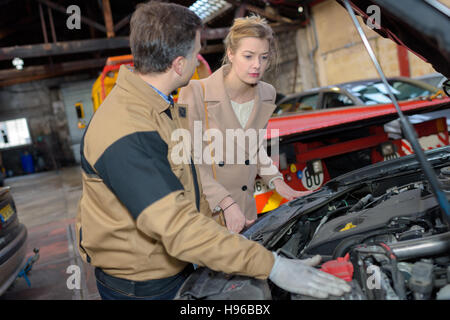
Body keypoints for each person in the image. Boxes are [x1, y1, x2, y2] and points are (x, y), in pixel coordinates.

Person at [76, 1, 350, 300]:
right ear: (179, 64)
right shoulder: (127, 130)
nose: (199, 61)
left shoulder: (159, 108)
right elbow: (176, 226)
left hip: (176, 263)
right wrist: (272, 266)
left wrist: (229, 221)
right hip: (145, 287)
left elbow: (188, 175)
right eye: (196, 53)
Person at [178, 16, 310, 234]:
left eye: (264, 57)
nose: (257, 65)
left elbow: (254, 147)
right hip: (208, 214)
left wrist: (278, 182)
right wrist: (226, 204)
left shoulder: (267, 94)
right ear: (230, 53)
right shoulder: (194, 92)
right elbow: (187, 160)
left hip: (246, 211)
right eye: (248, 56)